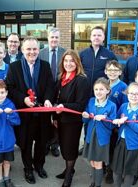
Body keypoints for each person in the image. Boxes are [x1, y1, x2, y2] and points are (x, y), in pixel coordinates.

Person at [6, 36, 54, 184]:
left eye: (34, 49)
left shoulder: (45, 66)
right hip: (24, 115)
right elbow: (11, 88)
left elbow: (50, 86)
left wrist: (47, 99)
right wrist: (23, 99)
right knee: (26, 144)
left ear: (38, 50)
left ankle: (39, 166)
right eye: (28, 49)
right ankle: (28, 169)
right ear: (22, 50)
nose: (32, 52)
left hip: (42, 114)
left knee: (41, 142)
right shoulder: (14, 67)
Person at [79, 26, 117, 159]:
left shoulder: (109, 54)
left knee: (103, 120)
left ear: (103, 38)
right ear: (90, 37)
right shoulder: (83, 53)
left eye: (99, 35)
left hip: (102, 94)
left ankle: (102, 145)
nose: (96, 37)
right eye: (94, 35)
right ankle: (87, 142)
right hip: (87, 94)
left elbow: (114, 72)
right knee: (88, 119)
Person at [54, 49, 90, 187]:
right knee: (63, 147)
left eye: (72, 61)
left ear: (77, 63)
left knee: (70, 149)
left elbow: (80, 105)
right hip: (61, 120)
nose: (68, 63)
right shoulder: (60, 78)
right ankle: (69, 169)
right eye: (66, 61)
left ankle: (69, 176)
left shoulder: (81, 80)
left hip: (73, 122)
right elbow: (55, 98)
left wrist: (63, 106)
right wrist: (55, 117)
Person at [111, 83, 138, 187]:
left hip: (134, 145)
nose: (134, 96)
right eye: (131, 93)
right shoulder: (123, 106)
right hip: (121, 143)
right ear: (127, 94)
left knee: (129, 172)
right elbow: (117, 120)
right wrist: (117, 121)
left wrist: (127, 120)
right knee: (116, 170)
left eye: (137, 94)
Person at [82, 78, 116, 187]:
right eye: (96, 89)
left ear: (108, 91)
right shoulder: (91, 101)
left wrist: (104, 118)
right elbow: (85, 120)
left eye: (102, 89)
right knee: (92, 161)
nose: (98, 92)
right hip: (90, 136)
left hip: (101, 138)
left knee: (98, 162)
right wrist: (85, 115)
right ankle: (93, 181)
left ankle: (97, 184)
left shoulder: (111, 105)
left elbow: (112, 125)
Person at [39, 27, 66, 157]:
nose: (54, 39)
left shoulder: (65, 53)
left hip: (61, 91)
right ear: (48, 38)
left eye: (56, 37)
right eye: (52, 37)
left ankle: (55, 145)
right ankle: (44, 144)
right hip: (45, 93)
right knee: (44, 121)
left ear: (59, 39)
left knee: (57, 120)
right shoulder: (41, 53)